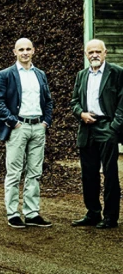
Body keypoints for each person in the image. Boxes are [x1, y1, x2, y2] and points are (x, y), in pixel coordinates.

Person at [0, 38, 53, 229]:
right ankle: (13, 213)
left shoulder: (40, 74)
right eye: (21, 49)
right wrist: (13, 122)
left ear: (34, 50)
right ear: (14, 52)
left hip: (38, 127)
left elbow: (48, 101)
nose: (25, 52)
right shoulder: (6, 74)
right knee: (14, 172)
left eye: (28, 49)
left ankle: (32, 213)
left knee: (35, 172)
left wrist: (46, 122)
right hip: (18, 128)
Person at [70, 39, 123, 229]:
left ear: (105, 53)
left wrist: (114, 127)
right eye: (90, 52)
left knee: (110, 175)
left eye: (97, 52)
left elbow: (122, 102)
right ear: (86, 54)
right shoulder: (81, 75)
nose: (94, 55)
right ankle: (92, 213)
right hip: (87, 129)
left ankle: (110, 217)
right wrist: (81, 114)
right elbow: (74, 101)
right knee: (88, 174)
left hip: (107, 128)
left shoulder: (116, 73)